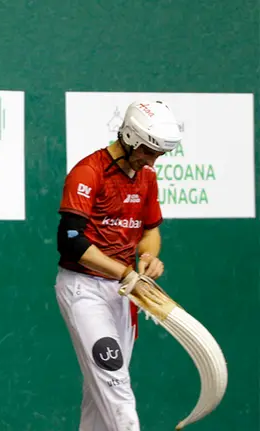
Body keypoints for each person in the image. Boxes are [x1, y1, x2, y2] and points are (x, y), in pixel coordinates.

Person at [53, 100, 181, 430]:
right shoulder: (89, 171)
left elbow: (149, 230)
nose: (152, 161)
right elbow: (71, 241)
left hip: (124, 292)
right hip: (84, 290)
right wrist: (126, 272)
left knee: (100, 392)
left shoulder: (146, 177)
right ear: (129, 137)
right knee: (115, 385)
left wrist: (148, 257)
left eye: (158, 154)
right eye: (148, 151)